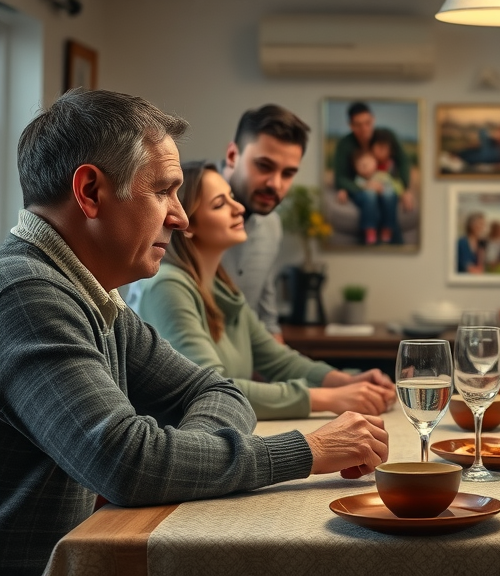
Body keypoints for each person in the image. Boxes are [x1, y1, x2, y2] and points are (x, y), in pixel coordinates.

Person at [0, 89, 388, 575]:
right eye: (163, 191)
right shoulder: (26, 294)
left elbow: (215, 388)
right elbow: (126, 462)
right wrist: (309, 450)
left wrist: (184, 459)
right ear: (91, 192)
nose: (180, 217)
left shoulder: (95, 297)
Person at [130, 161, 396, 420]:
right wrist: (329, 399)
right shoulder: (167, 286)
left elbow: (278, 360)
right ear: (187, 224)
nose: (239, 208)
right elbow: (213, 389)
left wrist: (347, 381)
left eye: (232, 197)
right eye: (220, 204)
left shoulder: (221, 288)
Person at [220, 104, 310, 342]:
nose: (275, 184)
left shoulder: (272, 225)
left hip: (241, 376)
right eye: (264, 166)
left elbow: (267, 323)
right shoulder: (180, 210)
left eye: (288, 173)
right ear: (232, 155)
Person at [334, 102, 411, 199]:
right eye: (358, 125)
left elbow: (403, 161)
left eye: (368, 123)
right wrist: (363, 186)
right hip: (360, 187)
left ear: (373, 119)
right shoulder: (345, 144)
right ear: (351, 125)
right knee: (369, 198)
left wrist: (404, 189)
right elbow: (340, 178)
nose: (364, 129)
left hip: (386, 185)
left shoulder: (385, 136)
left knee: (389, 196)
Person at [343, 148, 401, 245]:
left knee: (389, 194)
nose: (365, 167)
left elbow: (395, 186)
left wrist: (384, 189)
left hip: (384, 199)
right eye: (360, 165)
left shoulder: (382, 175)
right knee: (370, 194)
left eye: (367, 163)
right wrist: (368, 186)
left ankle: (388, 229)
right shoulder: (358, 180)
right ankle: (369, 230)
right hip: (369, 201)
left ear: (375, 163)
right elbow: (356, 188)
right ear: (355, 168)